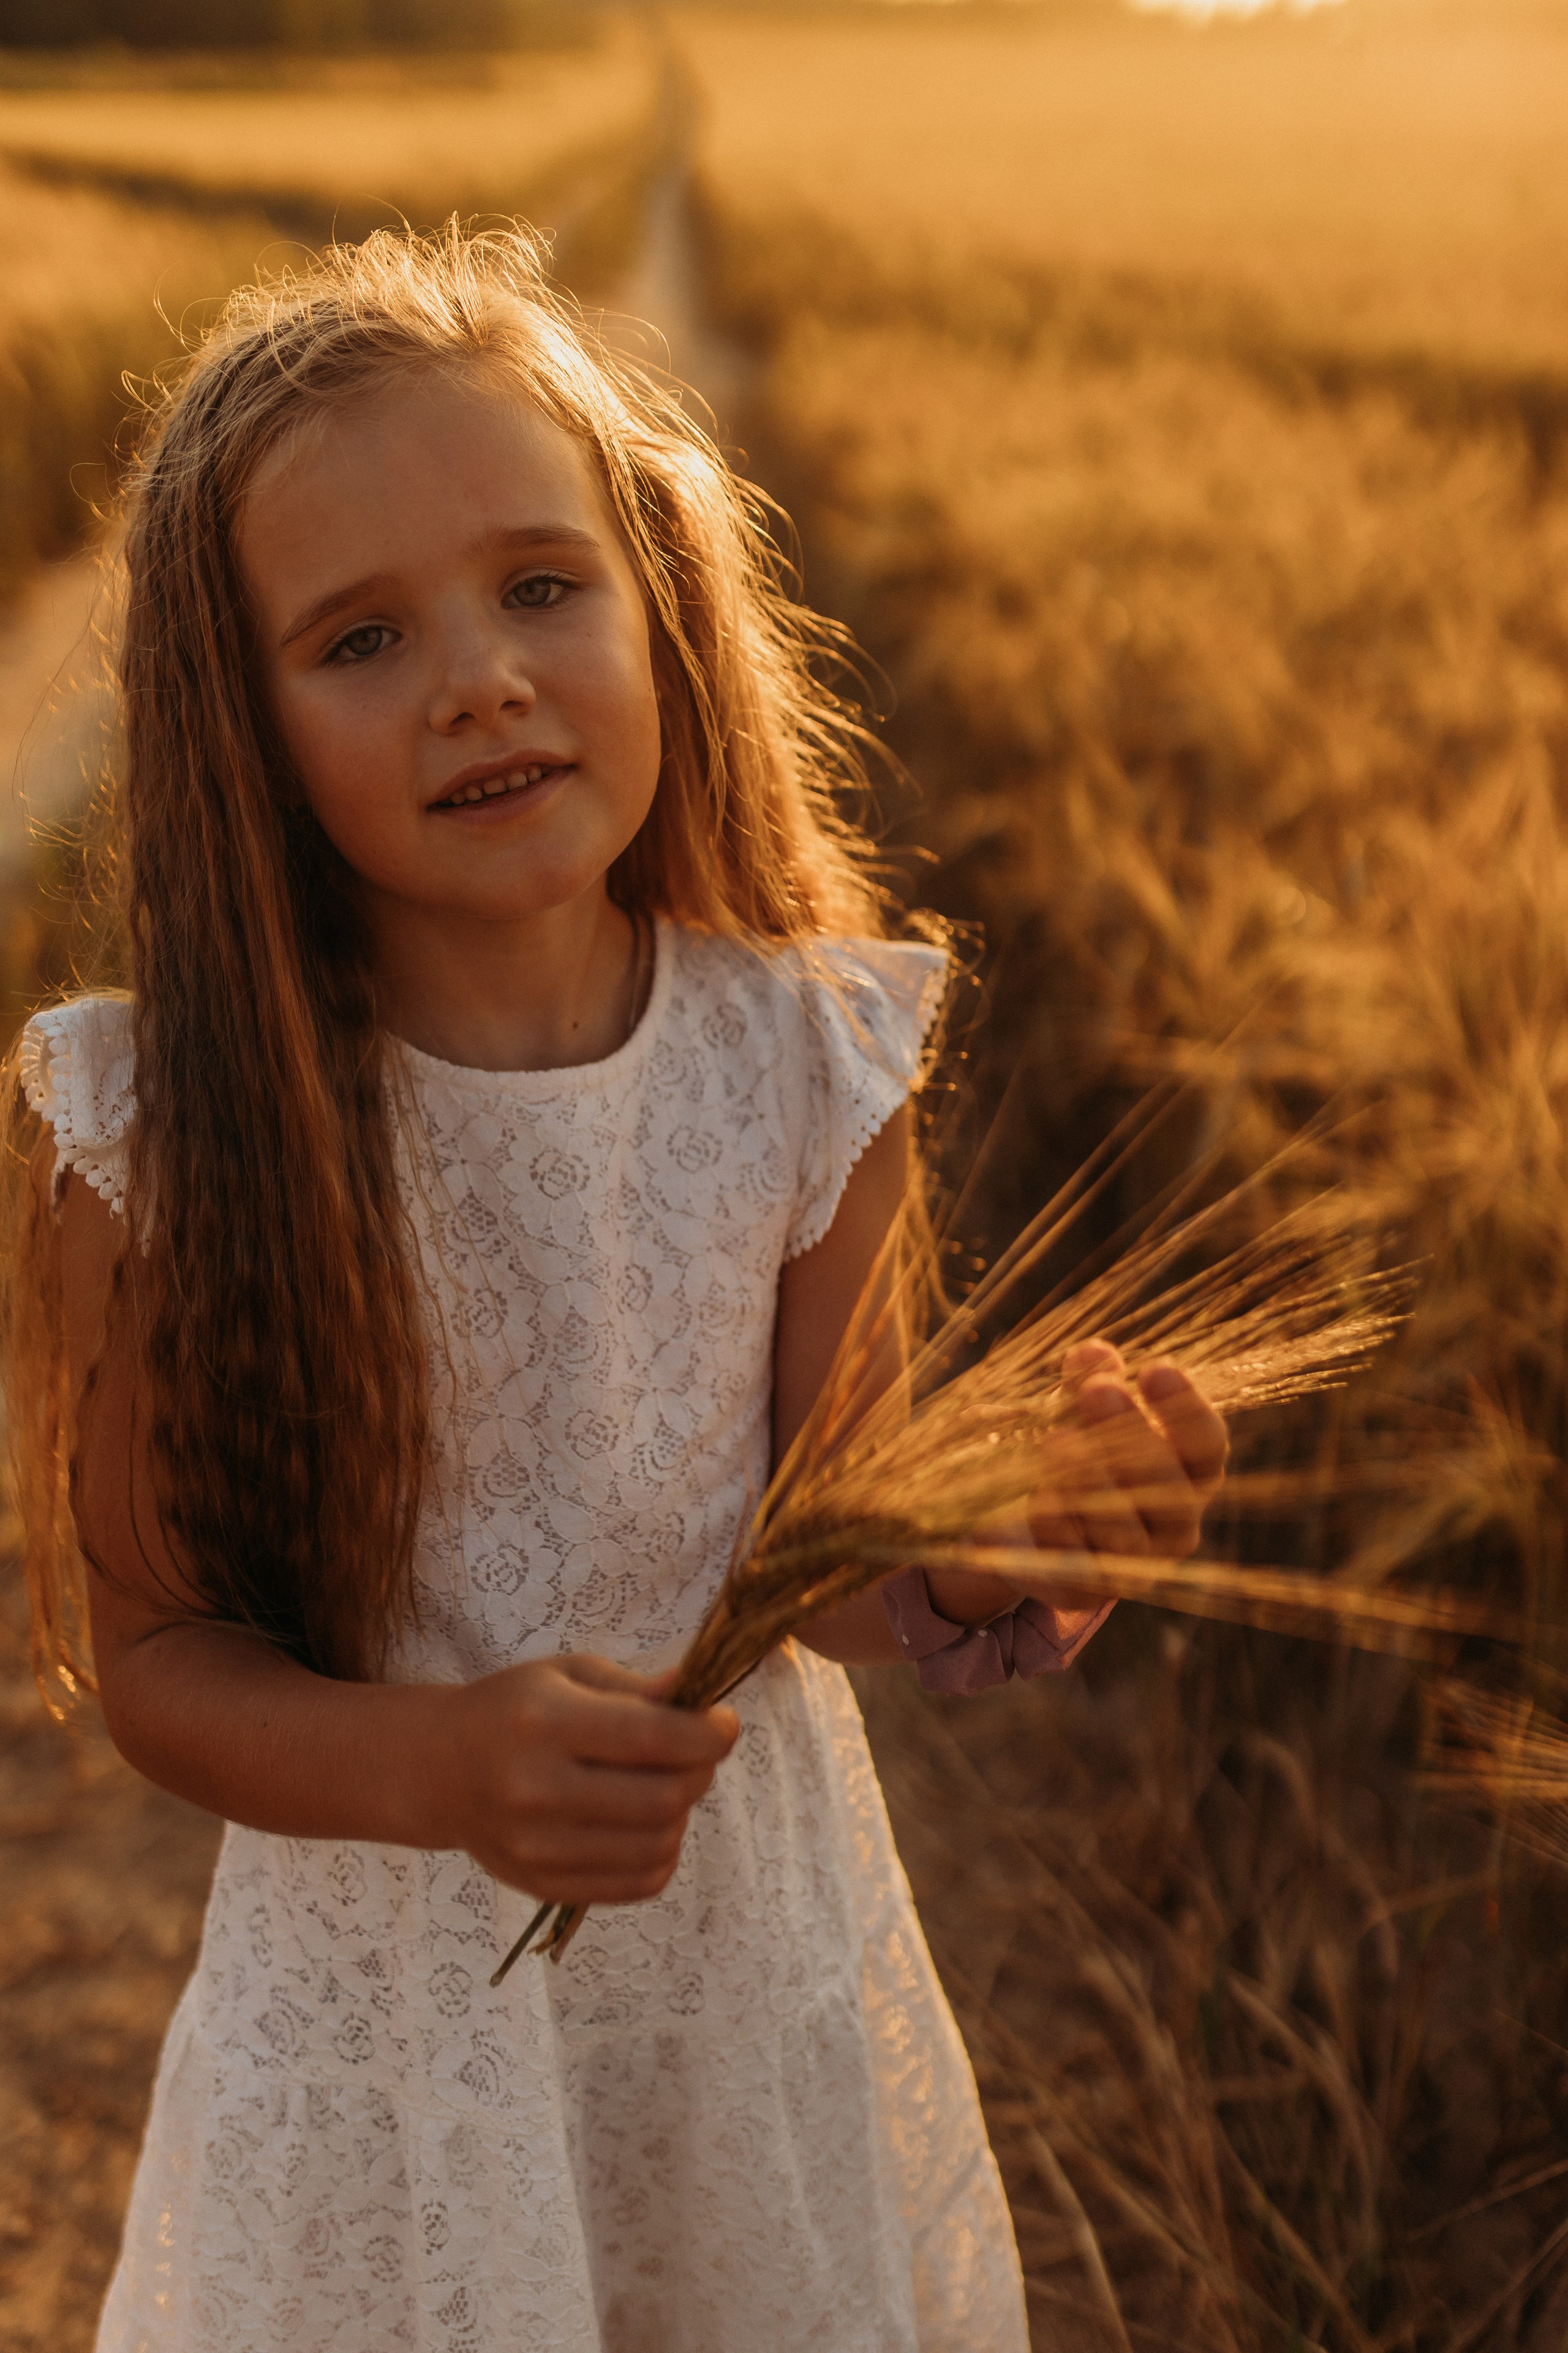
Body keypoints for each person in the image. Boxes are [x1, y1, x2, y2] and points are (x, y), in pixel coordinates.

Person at [4, 223, 1226, 2352]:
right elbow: (161, 1649)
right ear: (238, 726)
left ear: (659, 607)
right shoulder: (168, 1130)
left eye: (540, 586)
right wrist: (433, 1768)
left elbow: (827, 1550)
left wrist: (994, 1548)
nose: (479, 672)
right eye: (360, 637)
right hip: (387, 2021)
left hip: (742, 1976)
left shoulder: (807, 1063)